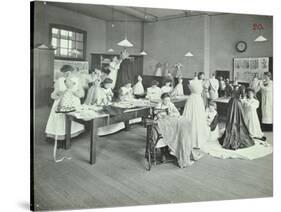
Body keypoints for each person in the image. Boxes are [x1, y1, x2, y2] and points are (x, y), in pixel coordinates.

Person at [152, 93, 195, 167]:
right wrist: (161, 114)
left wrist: (172, 114)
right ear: (162, 100)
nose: (167, 102)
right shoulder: (159, 105)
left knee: (181, 125)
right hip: (161, 124)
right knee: (167, 130)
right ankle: (166, 151)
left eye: (168, 100)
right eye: (165, 100)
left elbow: (177, 113)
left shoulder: (170, 104)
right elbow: (156, 114)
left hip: (170, 122)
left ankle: (175, 150)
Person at [45, 65, 84, 140]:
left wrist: (76, 93)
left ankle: (73, 133)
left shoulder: (77, 80)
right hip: (61, 102)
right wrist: (59, 94)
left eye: (69, 73)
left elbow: (82, 94)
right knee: (60, 117)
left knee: (74, 117)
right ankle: (60, 134)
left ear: (72, 72)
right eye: (64, 73)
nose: (67, 75)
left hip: (74, 102)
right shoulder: (59, 80)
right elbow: (53, 95)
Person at [182, 75, 209, 149]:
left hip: (197, 100)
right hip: (192, 100)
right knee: (190, 117)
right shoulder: (190, 82)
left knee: (198, 118)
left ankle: (198, 140)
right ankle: (190, 140)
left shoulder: (201, 82)